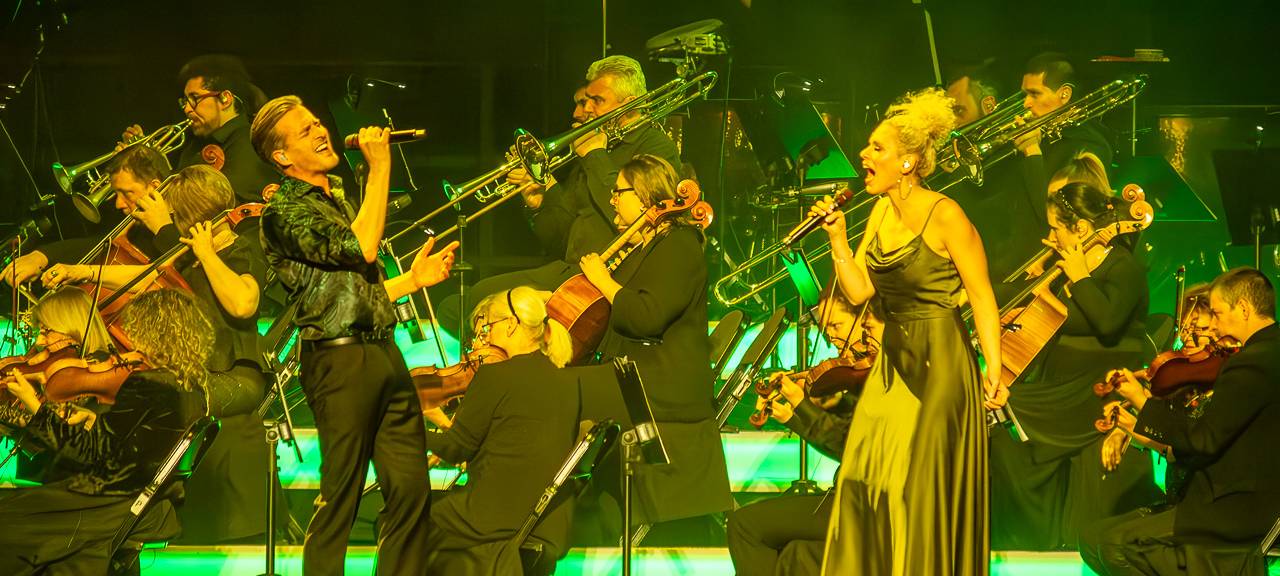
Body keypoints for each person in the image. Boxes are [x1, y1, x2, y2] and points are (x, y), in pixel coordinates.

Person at [250, 94, 459, 575]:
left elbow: (348, 287)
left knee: (410, 488)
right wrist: (379, 167)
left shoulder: (336, 198)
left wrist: (411, 282)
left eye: (317, 123)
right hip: (338, 360)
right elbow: (362, 248)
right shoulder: (282, 211)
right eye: (305, 132)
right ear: (282, 157)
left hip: (384, 351)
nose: (321, 132)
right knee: (341, 493)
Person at [807, 87, 1003, 575]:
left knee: (918, 488)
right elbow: (857, 292)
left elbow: (981, 295)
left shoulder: (946, 214)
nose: (863, 154)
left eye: (877, 148)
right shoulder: (878, 212)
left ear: (908, 163)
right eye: (868, 147)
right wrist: (837, 240)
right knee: (862, 476)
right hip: (894, 361)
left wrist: (993, 368)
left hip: (941, 361)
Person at [39, 164, 280, 543]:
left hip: (237, 376)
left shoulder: (241, 248)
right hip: (197, 373)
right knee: (143, 393)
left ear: (191, 218)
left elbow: (243, 304)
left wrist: (204, 252)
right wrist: (79, 270)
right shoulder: (187, 255)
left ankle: (142, 514)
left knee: (164, 397)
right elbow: (149, 274)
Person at [438, 55, 682, 338]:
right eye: (586, 99)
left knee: (479, 301)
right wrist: (542, 198)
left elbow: (640, 220)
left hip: (609, 275)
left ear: (627, 105)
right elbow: (561, 237)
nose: (586, 110)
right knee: (457, 305)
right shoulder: (598, 146)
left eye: (597, 101)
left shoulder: (653, 146)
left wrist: (595, 156)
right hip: (571, 268)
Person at [990, 181, 1162, 551]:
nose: (1049, 234)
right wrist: (1037, 278)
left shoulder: (1123, 266)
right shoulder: (1064, 263)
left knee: (1011, 408)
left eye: (1056, 226)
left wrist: (1079, 276)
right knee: (1001, 417)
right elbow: (1046, 314)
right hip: (1067, 382)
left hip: (1099, 386)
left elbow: (1108, 322)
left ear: (1080, 228)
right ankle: (1031, 534)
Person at [1080, 267, 1280, 575]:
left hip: (1235, 508)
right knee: (1095, 538)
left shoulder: (1252, 362)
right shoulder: (1268, 352)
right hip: (1237, 497)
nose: (1213, 326)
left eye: (1216, 313)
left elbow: (1204, 439)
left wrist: (1143, 403)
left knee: (1113, 544)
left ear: (1243, 309)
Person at [0, 288, 213, 575]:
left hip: (111, 505)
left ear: (152, 332)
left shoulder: (147, 385)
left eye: (137, 330)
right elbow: (131, 444)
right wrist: (92, 420)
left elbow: (89, 453)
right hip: (140, 502)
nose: (131, 340)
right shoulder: (189, 387)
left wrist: (35, 408)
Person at [576, 153, 733, 539]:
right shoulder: (645, 246)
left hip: (660, 386)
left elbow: (646, 316)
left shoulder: (679, 244)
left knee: (562, 397)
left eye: (619, 192)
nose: (612, 199)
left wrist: (603, 281)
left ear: (646, 196)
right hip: (636, 375)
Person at [726, 290, 883, 576]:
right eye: (826, 330)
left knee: (745, 527)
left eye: (837, 325)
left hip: (868, 507)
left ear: (864, 318)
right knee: (790, 551)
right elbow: (842, 444)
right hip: (851, 497)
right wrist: (792, 417)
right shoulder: (860, 373)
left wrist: (801, 404)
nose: (833, 339)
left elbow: (850, 446)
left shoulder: (886, 374)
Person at [424, 286, 580, 573]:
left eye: (488, 327)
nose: (484, 337)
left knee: (399, 518)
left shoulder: (495, 375)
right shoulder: (567, 379)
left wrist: (411, 425)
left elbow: (457, 447)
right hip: (547, 519)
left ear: (510, 325)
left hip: (495, 517)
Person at [2, 146, 178, 287]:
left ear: (155, 186)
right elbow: (103, 245)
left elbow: (180, 269)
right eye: (116, 194)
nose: (119, 204)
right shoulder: (135, 227)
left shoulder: (187, 219)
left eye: (127, 193)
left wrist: (163, 229)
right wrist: (42, 255)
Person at [120, 54, 278, 204]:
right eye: (185, 101)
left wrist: (154, 161)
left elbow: (209, 204)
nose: (187, 109)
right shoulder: (195, 145)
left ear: (225, 99)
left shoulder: (250, 143)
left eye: (195, 99)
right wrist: (140, 163)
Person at [1014, 52, 1114, 229]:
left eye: (1035, 94)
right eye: (1025, 94)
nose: (1026, 103)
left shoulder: (1088, 144)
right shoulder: (1042, 134)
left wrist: (1032, 152)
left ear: (1065, 94)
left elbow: (1059, 219)